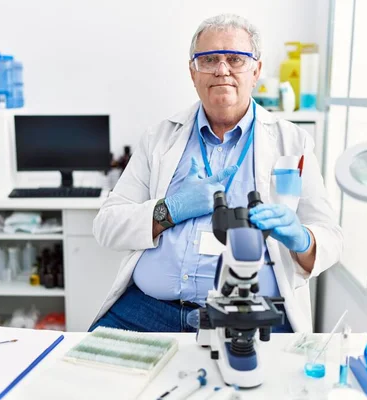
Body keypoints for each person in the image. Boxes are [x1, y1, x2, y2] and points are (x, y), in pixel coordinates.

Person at [91, 14, 343, 333]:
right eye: (209, 59)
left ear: (256, 71)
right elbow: (106, 226)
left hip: (252, 315)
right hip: (149, 311)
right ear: (193, 72)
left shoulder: (292, 142)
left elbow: (331, 238)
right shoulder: (159, 138)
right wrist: (170, 209)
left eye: (235, 59)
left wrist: (303, 238)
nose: (222, 69)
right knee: (86, 376)